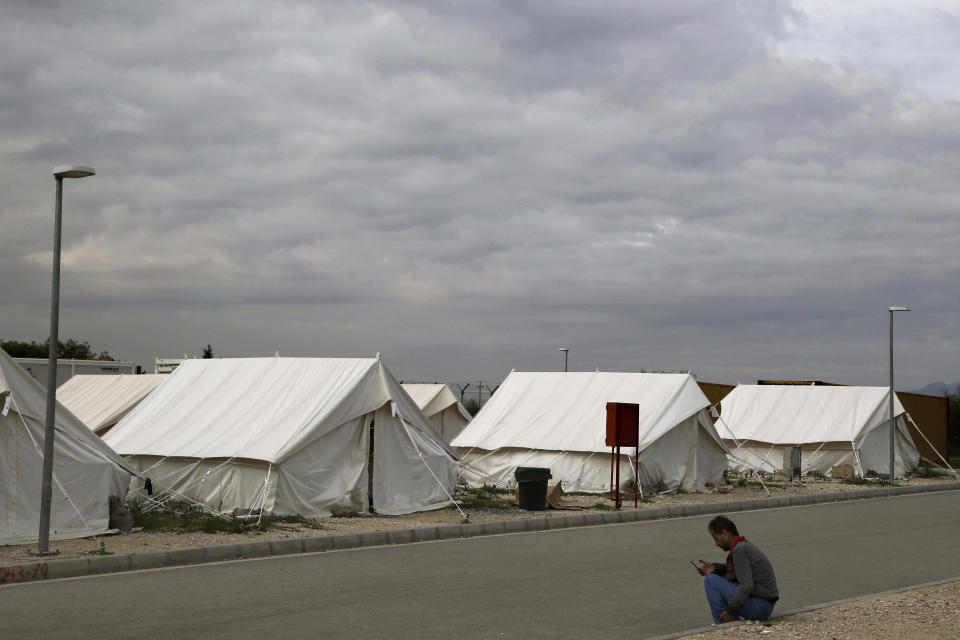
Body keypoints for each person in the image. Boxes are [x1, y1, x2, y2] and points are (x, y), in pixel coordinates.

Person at [697, 515, 779, 624]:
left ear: (725, 534)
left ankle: (724, 623)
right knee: (716, 577)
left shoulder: (739, 550)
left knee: (711, 581)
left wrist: (729, 610)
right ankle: (728, 620)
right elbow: (738, 569)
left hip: (760, 606)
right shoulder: (743, 546)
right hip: (764, 605)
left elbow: (746, 586)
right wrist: (715, 567)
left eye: (716, 539)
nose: (716, 544)